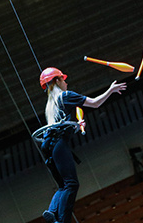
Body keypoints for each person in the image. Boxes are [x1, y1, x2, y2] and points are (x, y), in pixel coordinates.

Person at [39, 67, 127, 223]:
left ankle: (52, 211)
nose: (66, 83)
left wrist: (75, 126)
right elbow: (95, 103)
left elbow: (59, 126)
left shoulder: (51, 104)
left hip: (48, 146)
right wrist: (110, 90)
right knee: (71, 184)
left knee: (63, 185)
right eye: (63, 79)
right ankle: (63, 221)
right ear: (58, 81)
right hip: (58, 145)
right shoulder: (66, 95)